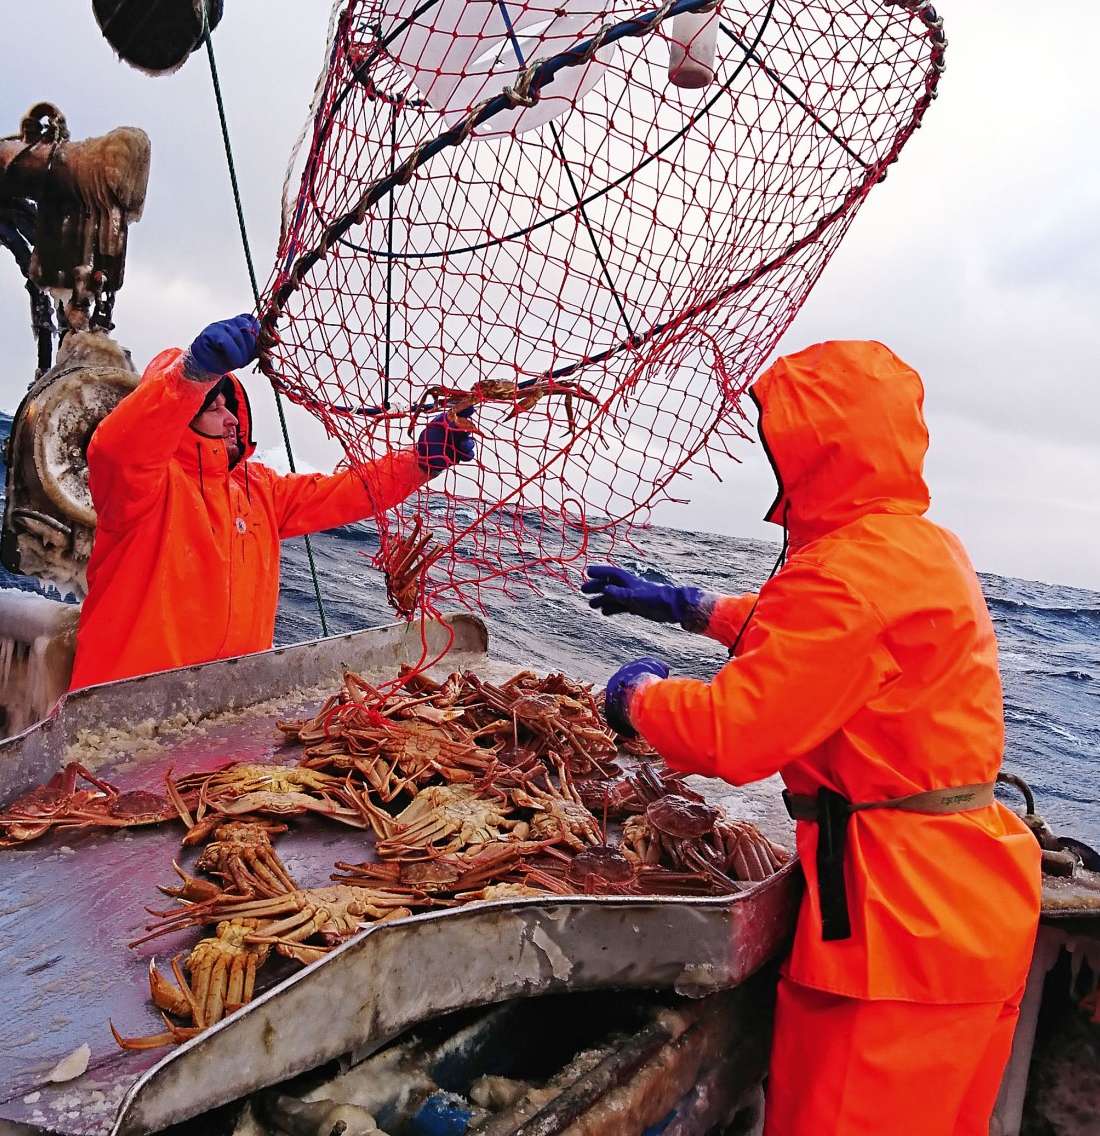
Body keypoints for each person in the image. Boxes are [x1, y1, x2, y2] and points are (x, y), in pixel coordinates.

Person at [579, 339, 1041, 1136]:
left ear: (816, 451)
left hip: (896, 935)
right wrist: (692, 606)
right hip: (974, 911)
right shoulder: (920, 547)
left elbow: (734, 733)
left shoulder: (846, 573)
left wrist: (638, 700)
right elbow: (826, 648)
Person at [69, 314, 476, 688]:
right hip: (119, 713)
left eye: (230, 407)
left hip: (223, 713)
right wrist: (190, 375)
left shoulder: (258, 489)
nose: (231, 419)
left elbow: (345, 492)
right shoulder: (141, 486)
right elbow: (118, 449)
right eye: (213, 409)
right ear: (182, 417)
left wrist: (419, 462)